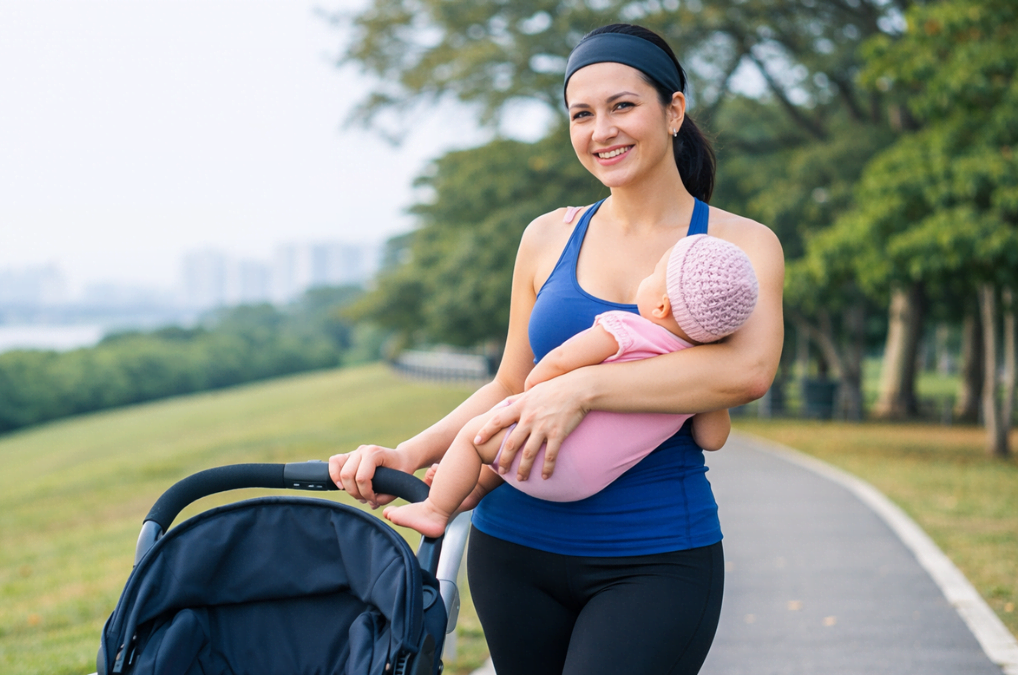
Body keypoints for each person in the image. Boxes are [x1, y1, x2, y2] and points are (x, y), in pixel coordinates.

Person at [329, 22, 784, 675]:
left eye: (623, 105)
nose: (602, 130)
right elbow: (508, 385)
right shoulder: (547, 236)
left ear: (673, 110)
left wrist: (582, 388)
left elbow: (748, 371)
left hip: (655, 558)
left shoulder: (741, 246)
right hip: (513, 553)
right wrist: (409, 454)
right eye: (582, 114)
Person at [383, 234, 759, 538]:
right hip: (586, 482)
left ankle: (436, 509)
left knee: (473, 439)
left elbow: (560, 360)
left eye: (652, 275)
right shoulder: (696, 376)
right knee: (501, 455)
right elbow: (712, 438)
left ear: (661, 307)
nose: (644, 279)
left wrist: (534, 391)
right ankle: (472, 486)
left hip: (549, 453)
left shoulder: (627, 329)